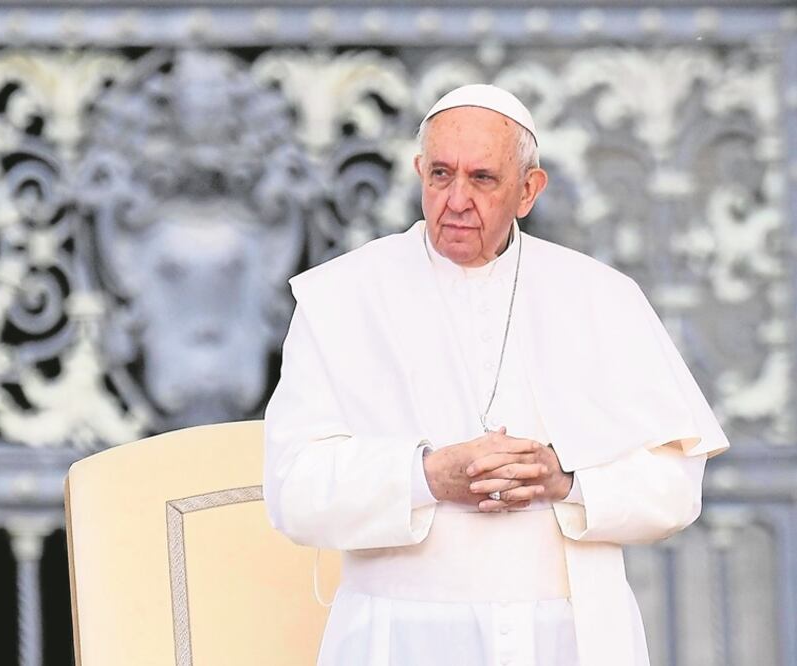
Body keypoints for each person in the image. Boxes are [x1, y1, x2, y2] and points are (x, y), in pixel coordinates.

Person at [263, 84, 729, 666]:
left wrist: (564, 479)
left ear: (528, 190)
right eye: (440, 174)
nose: (456, 199)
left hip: (568, 641)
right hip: (398, 641)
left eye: (482, 178)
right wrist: (426, 475)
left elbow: (675, 490)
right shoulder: (339, 297)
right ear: (418, 173)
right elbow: (292, 490)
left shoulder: (601, 297)